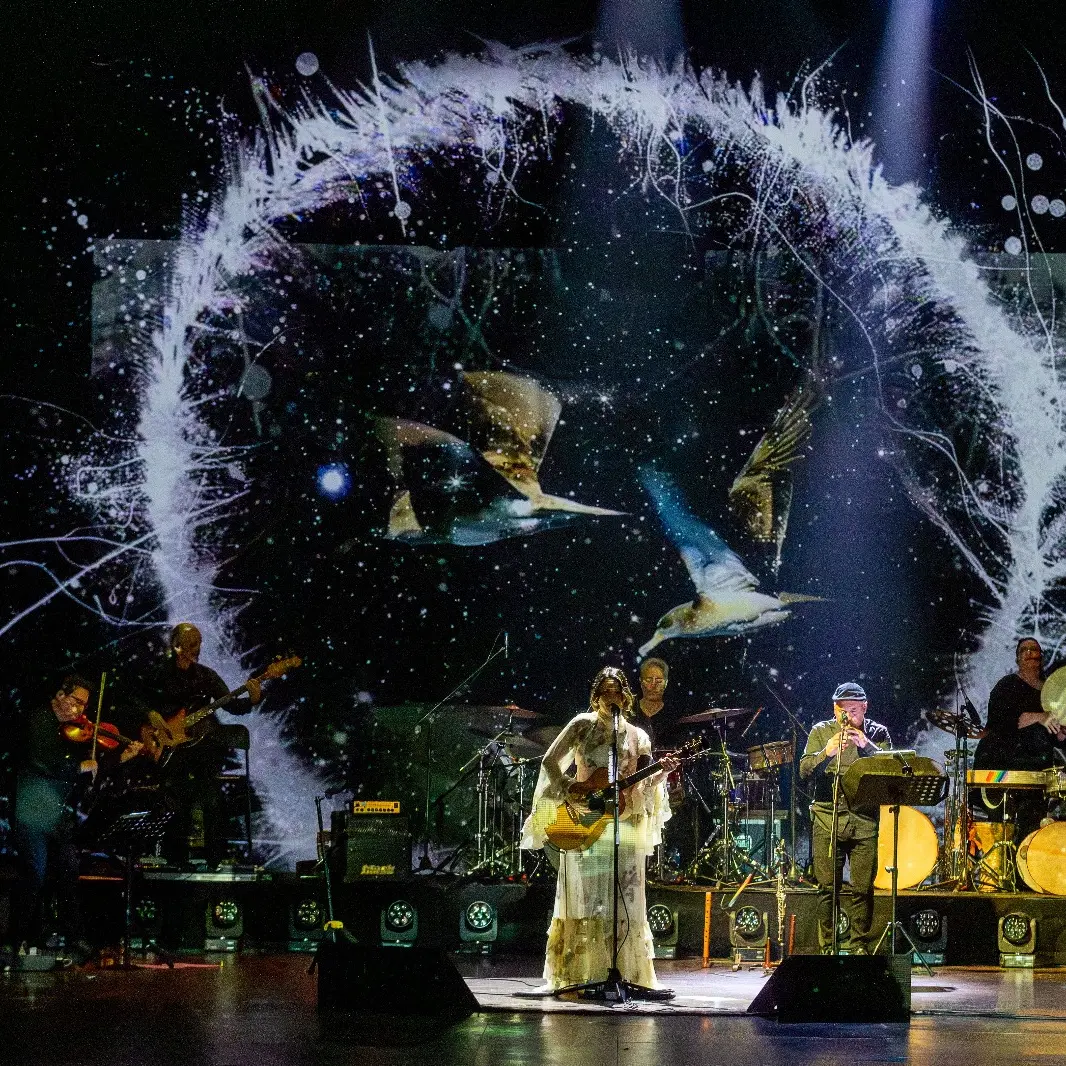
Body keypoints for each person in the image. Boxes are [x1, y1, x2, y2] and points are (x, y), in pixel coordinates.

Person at [521, 667, 677, 991]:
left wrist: (664, 773)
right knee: (586, 899)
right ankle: (577, 973)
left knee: (627, 899)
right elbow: (550, 761)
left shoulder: (638, 736)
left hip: (625, 824)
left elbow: (644, 782)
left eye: (616, 691)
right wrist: (570, 788)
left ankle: (627, 974)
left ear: (625, 696)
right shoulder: (582, 725)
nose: (611, 697)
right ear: (596, 695)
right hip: (586, 822)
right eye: (605, 691)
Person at [11, 676, 142, 962]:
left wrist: (120, 759)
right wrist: (78, 765)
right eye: (76, 702)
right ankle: (15, 941)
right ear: (60, 694)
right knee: (35, 872)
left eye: (84, 705)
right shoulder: (41, 720)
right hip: (33, 810)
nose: (80, 712)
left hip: (58, 815)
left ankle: (74, 939)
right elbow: (43, 761)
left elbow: (90, 771)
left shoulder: (73, 731)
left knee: (69, 872)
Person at [139, 623, 260, 868]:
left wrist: (254, 699)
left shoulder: (207, 676)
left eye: (199, 642)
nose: (197, 648)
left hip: (203, 749)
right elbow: (134, 698)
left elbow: (232, 706)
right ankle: (177, 860)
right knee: (175, 800)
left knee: (212, 800)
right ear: (176, 645)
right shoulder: (158, 673)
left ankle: (215, 860)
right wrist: (150, 713)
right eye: (192, 643)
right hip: (170, 749)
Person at [799, 682, 892, 954]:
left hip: (864, 820)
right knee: (828, 888)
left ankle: (859, 946)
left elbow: (891, 768)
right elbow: (804, 770)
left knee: (862, 887)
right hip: (828, 818)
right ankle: (829, 946)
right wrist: (826, 752)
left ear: (865, 707)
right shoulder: (820, 731)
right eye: (842, 711)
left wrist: (868, 747)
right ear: (834, 709)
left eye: (853, 711)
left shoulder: (877, 733)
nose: (847, 717)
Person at [973, 637, 1065, 847]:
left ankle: (1024, 877)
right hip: (1002, 771)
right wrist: (1040, 716)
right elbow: (999, 724)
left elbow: (1058, 737)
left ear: (1041, 657)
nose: (1030, 652)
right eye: (1024, 649)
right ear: (1017, 657)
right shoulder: (1007, 686)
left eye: (1035, 649)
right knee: (1000, 834)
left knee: (1030, 835)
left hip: (1036, 776)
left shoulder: (1052, 694)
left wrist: (1061, 731)